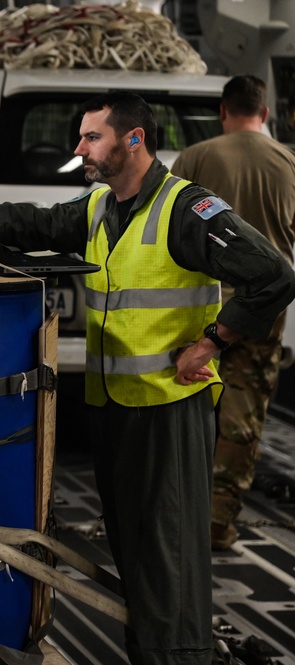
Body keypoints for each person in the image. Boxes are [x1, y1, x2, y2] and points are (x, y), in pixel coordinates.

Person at [0, 92, 295, 664]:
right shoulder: (99, 208)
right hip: (115, 405)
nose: (79, 148)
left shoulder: (187, 210)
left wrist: (214, 341)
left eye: (92, 137)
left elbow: (273, 275)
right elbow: (32, 221)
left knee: (167, 554)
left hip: (168, 407)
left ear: (133, 139)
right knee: (134, 551)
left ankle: (179, 657)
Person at [170, 74, 295, 550]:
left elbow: (169, 222)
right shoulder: (288, 161)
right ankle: (218, 524)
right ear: (263, 113)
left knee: (186, 413)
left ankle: (174, 514)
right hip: (260, 314)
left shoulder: (197, 157)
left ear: (224, 111)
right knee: (242, 421)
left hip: (200, 308)